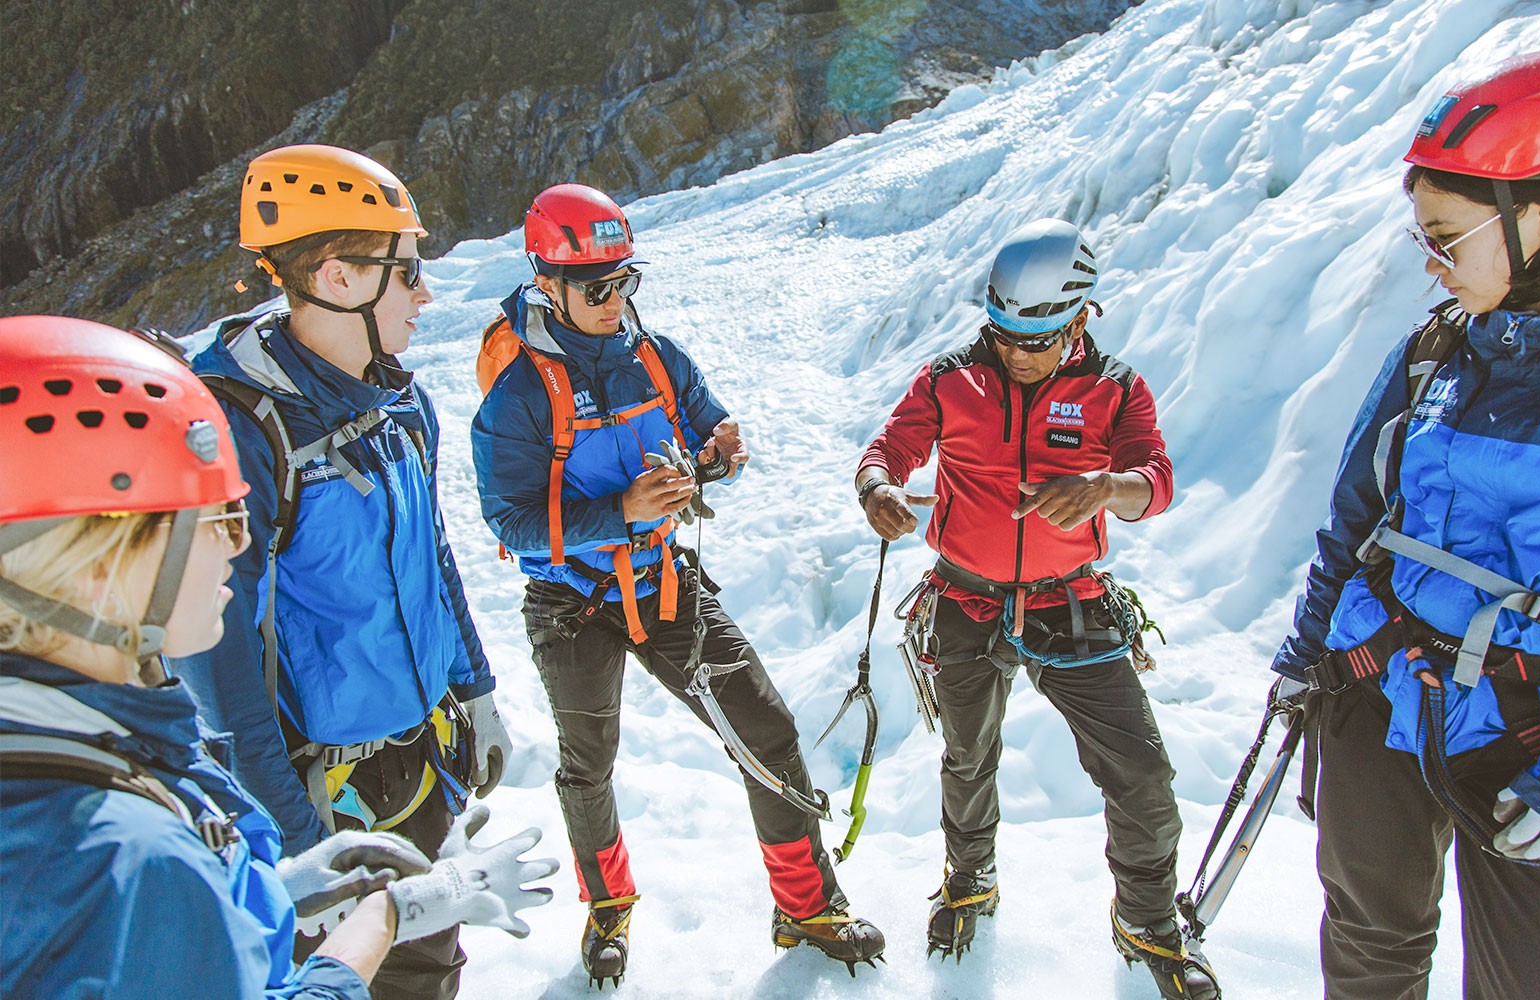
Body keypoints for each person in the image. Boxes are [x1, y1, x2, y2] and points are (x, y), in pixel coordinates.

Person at [0, 316, 555, 999]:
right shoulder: (119, 855)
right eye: (215, 520)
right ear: (98, 567)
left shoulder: (75, 755)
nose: (239, 547)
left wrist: (297, 891)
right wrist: (386, 910)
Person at [472, 183, 885, 986]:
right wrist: (621, 511)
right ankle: (609, 912)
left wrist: (714, 462)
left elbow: (707, 441)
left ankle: (807, 906)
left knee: (765, 731)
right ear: (546, 284)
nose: (615, 298)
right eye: (598, 286)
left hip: (663, 581)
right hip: (571, 603)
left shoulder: (657, 358)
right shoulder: (518, 393)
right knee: (588, 764)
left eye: (626, 280)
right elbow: (511, 524)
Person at [1271, 50, 1540, 1000]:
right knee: (1370, 940)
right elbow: (1357, 521)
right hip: (1382, 691)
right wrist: (1305, 660)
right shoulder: (1437, 353)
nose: (1433, 263)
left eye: (1449, 238)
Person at [169, 144, 511, 1000]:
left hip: (421, 752)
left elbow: (431, 557)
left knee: (431, 968)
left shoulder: (399, 402)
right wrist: (290, 836)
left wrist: (472, 686)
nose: (425, 295)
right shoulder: (245, 432)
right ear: (340, 276)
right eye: (409, 273)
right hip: (326, 789)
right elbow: (219, 663)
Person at [858, 219, 1218, 998]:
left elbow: (1154, 477)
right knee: (966, 755)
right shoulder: (950, 378)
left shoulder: (1116, 388)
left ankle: (1148, 919)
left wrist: (1102, 489)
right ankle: (969, 876)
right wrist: (877, 489)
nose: (1020, 356)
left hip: (1072, 602)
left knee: (1141, 773)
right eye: (1007, 337)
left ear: (1081, 317)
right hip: (965, 598)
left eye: (1041, 340)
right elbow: (890, 446)